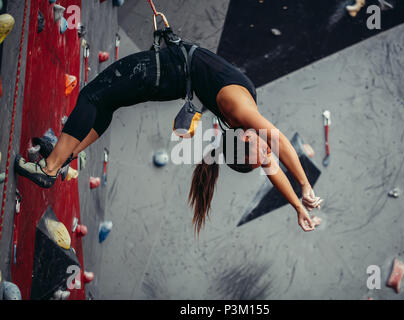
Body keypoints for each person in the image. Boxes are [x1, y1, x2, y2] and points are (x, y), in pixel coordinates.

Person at [15, 29, 323, 233]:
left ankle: (50, 167)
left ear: (244, 141)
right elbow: (274, 168)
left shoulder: (243, 113)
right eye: (265, 153)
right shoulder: (244, 126)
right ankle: (65, 155)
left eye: (262, 153)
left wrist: (306, 187)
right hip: (170, 76)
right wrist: (298, 204)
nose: (268, 152)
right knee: (107, 104)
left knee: (93, 96)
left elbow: (279, 142)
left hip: (166, 72)